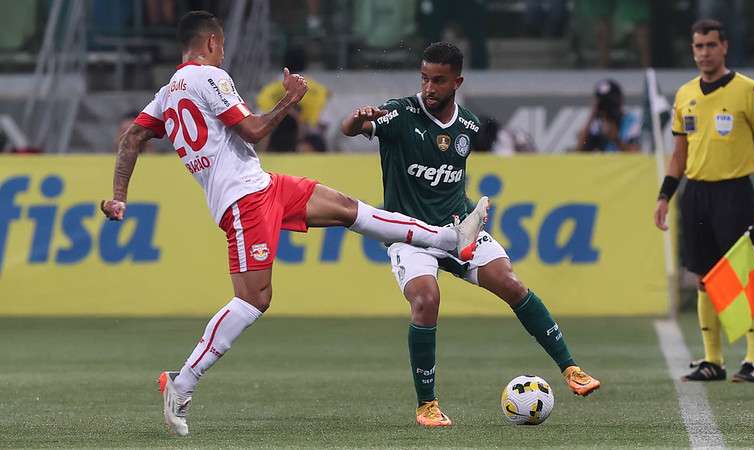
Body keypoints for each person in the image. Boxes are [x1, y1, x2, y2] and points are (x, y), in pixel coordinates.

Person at [100, 11, 489, 436]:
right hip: (243, 200)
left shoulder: (165, 92)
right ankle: (182, 382)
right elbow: (252, 130)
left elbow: (132, 139)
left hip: (262, 185)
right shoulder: (210, 77)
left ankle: (451, 238)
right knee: (254, 299)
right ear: (212, 41)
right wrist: (291, 99)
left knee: (348, 209)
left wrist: (119, 196)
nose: (224, 52)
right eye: (223, 45)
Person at [340, 42, 600, 427]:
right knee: (426, 299)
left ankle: (571, 369)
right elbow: (350, 129)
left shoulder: (469, 126)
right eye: (425, 78)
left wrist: (467, 217)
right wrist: (355, 117)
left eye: (439, 80)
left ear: (457, 81)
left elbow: (449, 178)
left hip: (458, 230)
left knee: (512, 284)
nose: (429, 87)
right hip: (411, 236)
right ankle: (427, 405)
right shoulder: (398, 113)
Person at [654, 19, 754, 383]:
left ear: (724, 46)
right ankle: (713, 360)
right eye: (698, 47)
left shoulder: (747, 90)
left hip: (734, 191)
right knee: (705, 277)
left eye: (711, 45)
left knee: (744, 275)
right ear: (692, 50)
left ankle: (753, 361)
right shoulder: (684, 94)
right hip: (696, 193)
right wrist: (665, 196)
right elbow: (679, 154)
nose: (704, 53)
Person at [255, 45, 330, 153]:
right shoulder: (318, 91)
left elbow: (259, 120)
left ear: (284, 62)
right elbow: (324, 124)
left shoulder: (268, 91)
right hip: (305, 147)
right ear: (306, 63)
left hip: (272, 145)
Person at [577, 78, 640, 152]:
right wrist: (591, 118)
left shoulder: (631, 121)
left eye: (610, 103)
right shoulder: (596, 123)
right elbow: (579, 150)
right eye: (604, 103)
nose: (608, 107)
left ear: (620, 100)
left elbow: (635, 153)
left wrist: (616, 139)